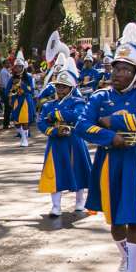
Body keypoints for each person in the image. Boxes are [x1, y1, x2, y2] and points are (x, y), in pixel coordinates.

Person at [76, 23, 136, 272]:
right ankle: (125, 257)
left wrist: (113, 120)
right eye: (117, 68)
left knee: (134, 219)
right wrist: (109, 137)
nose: (119, 74)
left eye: (126, 69)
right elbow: (82, 125)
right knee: (115, 220)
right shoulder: (100, 96)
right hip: (109, 162)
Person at [37, 50, 92, 217]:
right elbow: (41, 122)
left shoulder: (78, 101)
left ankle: (80, 202)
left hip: (74, 140)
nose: (60, 89)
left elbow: (78, 116)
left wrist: (56, 115)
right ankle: (56, 206)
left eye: (63, 87)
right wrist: (53, 130)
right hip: (55, 142)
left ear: (70, 88)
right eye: (58, 86)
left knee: (79, 171)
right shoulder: (49, 104)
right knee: (55, 173)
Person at [6, 52, 37, 147]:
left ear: (23, 67)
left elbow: (31, 89)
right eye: (16, 67)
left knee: (25, 120)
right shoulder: (12, 78)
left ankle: (24, 139)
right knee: (16, 122)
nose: (18, 68)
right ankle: (24, 135)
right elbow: (7, 90)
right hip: (16, 100)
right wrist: (10, 95)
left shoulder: (28, 77)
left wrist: (21, 84)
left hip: (25, 100)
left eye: (20, 66)